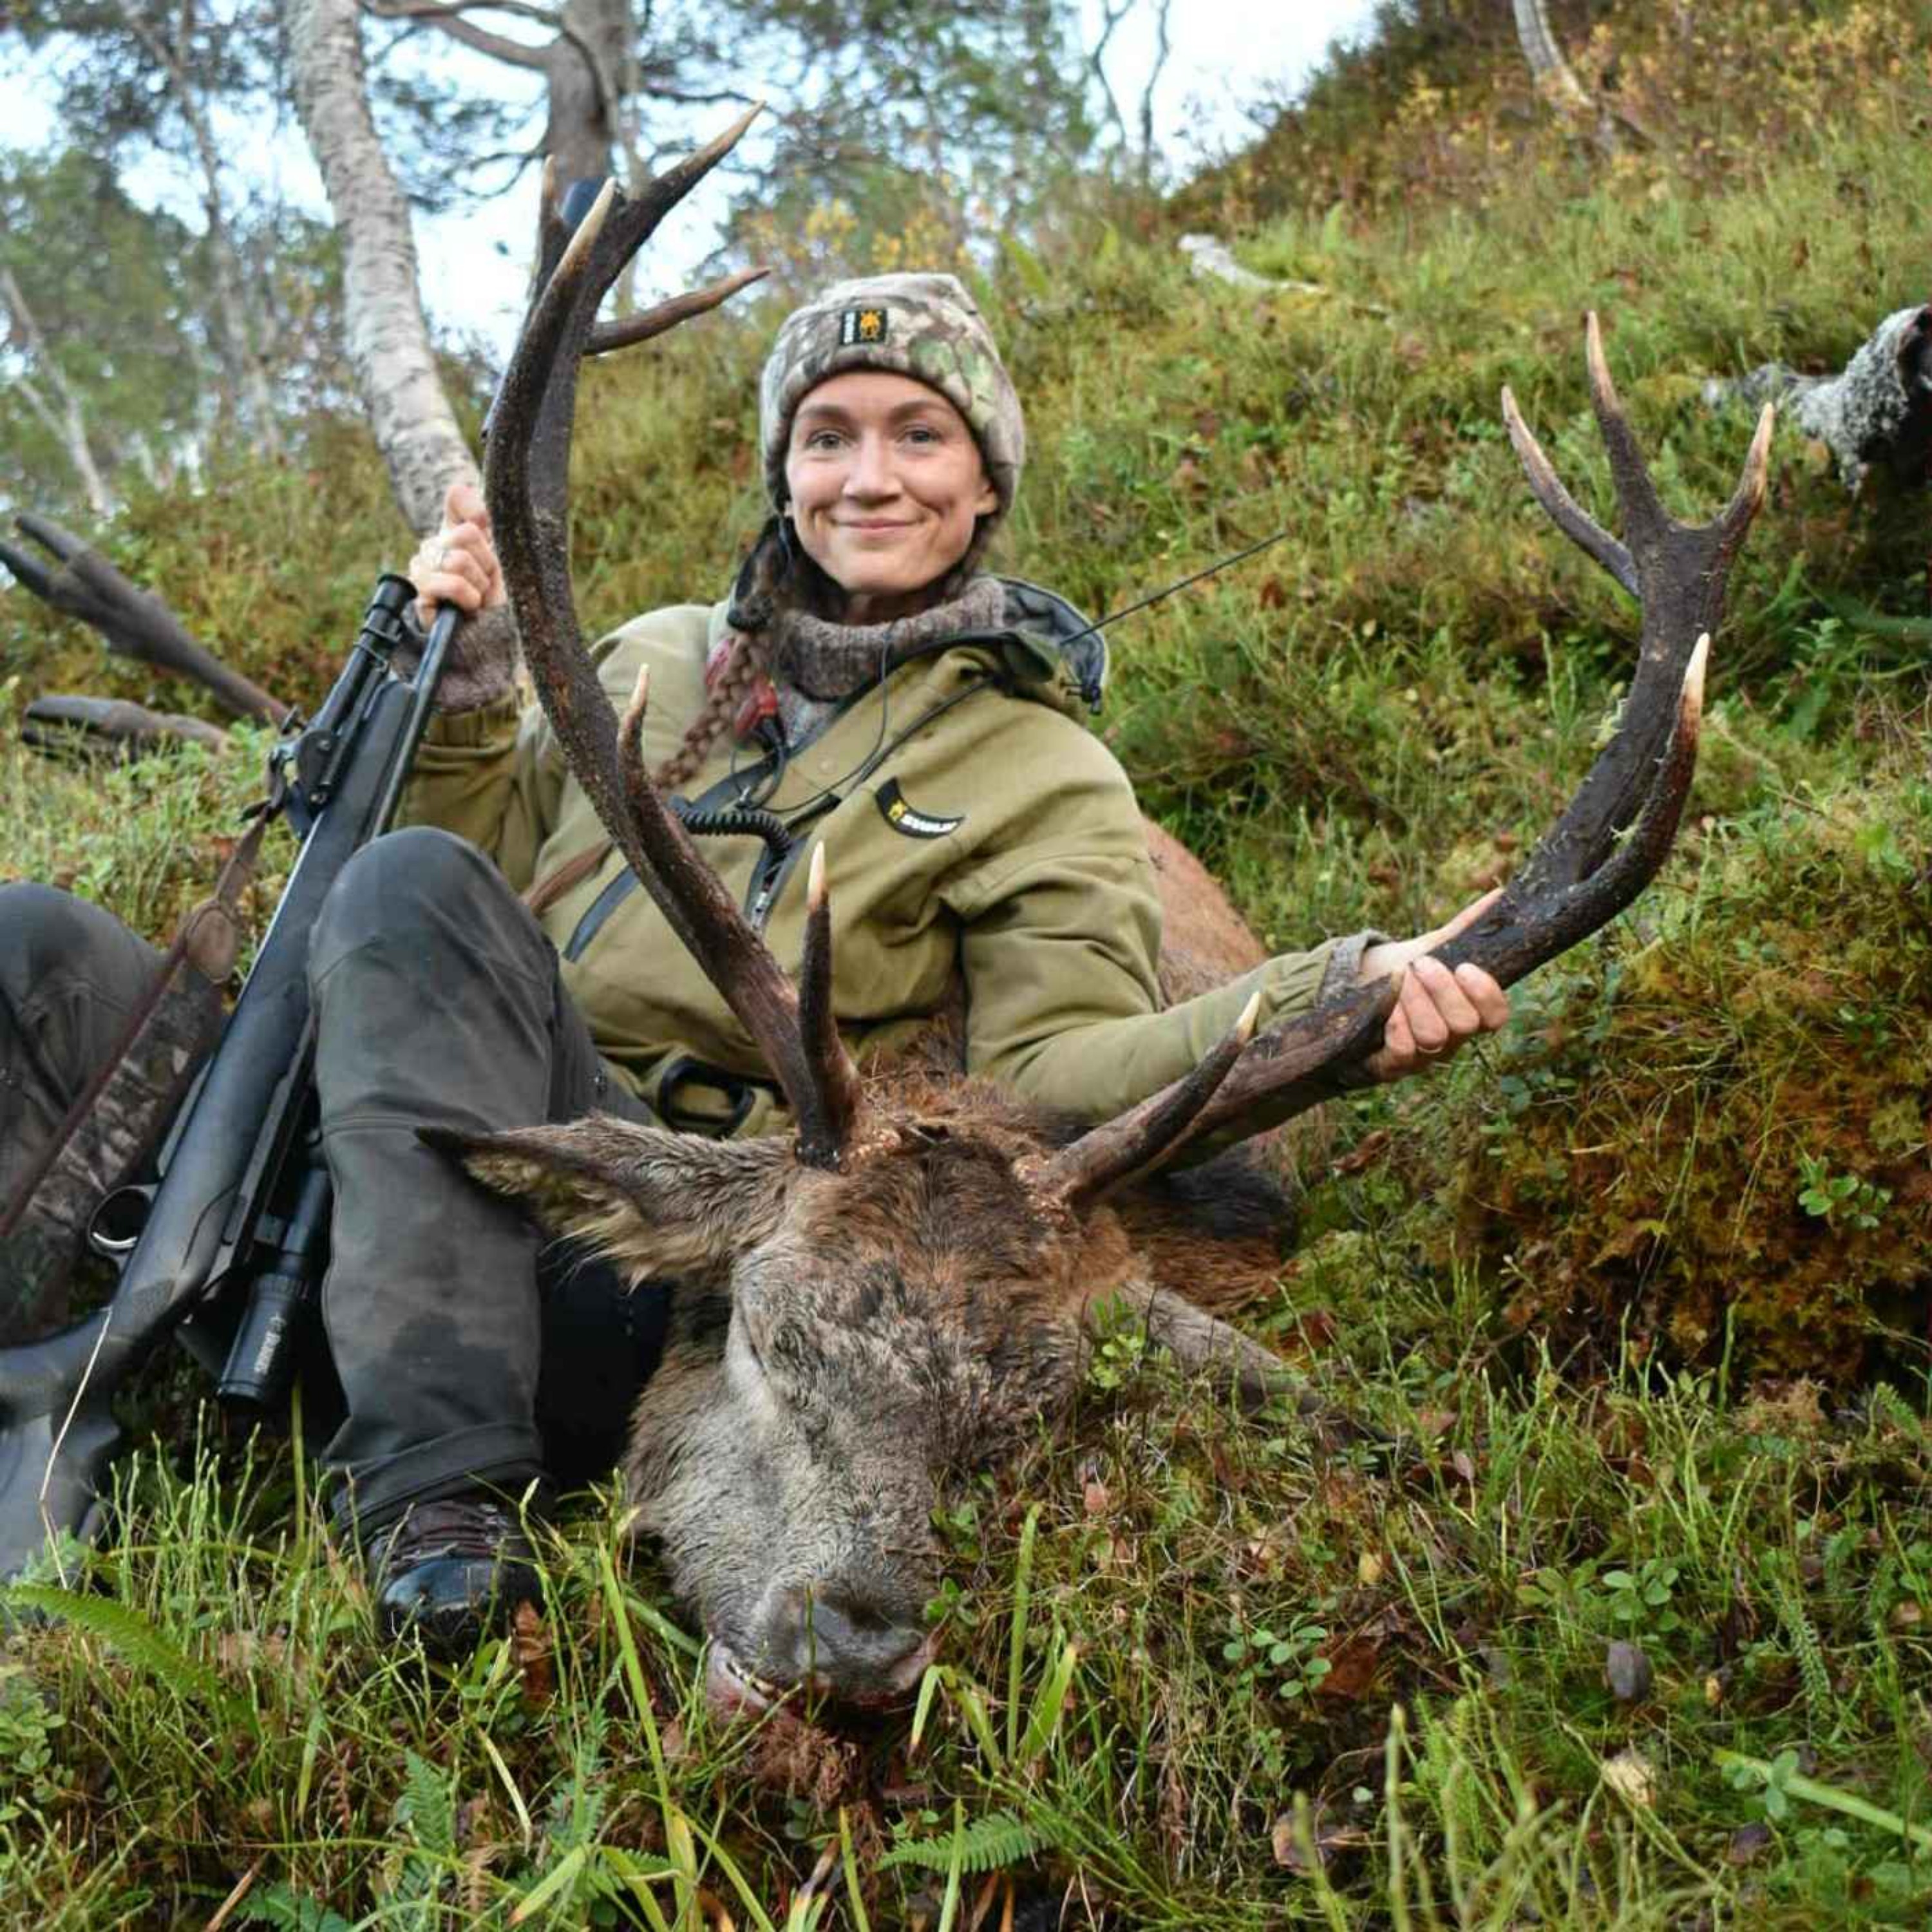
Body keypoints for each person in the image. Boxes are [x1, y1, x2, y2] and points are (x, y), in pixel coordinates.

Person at [0, 273, 1507, 1653]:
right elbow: (462, 872)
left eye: (920, 435)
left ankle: (441, 1505)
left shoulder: (1041, 770)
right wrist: (466, 695)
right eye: (828, 436)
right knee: (33, 948)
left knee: (410, 896)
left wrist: (1330, 994)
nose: (870, 476)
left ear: (987, 479)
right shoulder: (655, 659)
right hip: (404, 1124)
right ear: (783, 468)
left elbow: (1051, 1070)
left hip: (624, 1246)